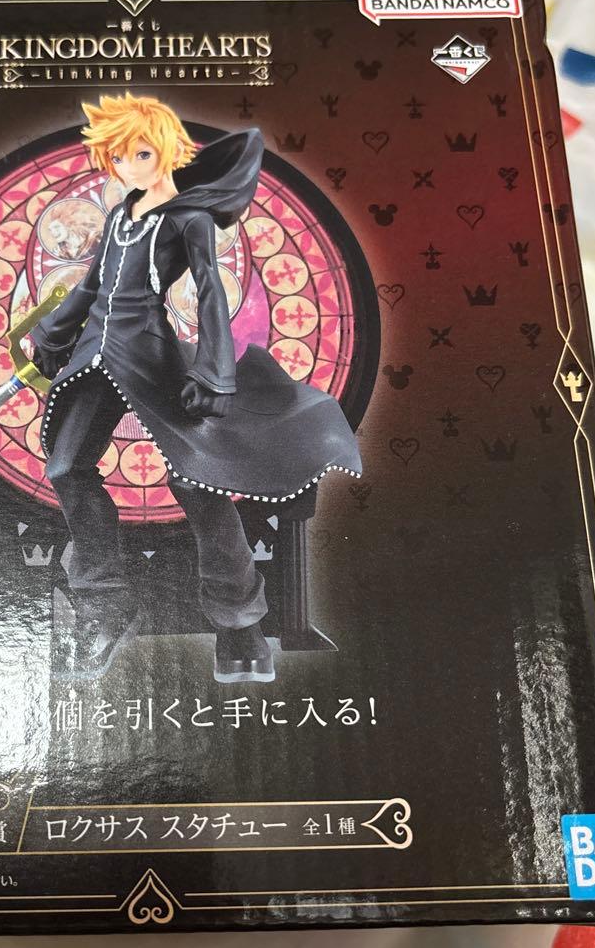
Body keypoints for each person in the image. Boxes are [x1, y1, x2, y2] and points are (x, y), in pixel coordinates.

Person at [32, 92, 361, 684]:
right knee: (65, 467)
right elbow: (90, 286)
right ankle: (105, 607)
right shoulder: (119, 216)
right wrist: (53, 332)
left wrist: (214, 372)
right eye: (117, 156)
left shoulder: (190, 219)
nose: (127, 166)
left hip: (148, 355)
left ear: (166, 151)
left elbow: (210, 295)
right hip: (93, 357)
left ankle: (240, 624)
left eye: (139, 153)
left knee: (196, 480)